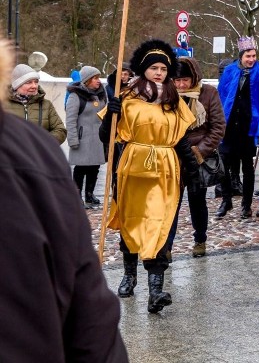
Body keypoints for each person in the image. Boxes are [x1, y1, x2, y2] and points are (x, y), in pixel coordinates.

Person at [0, 42, 128, 362]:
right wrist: (67, 141)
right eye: (28, 81)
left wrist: (42, 144)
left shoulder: (34, 138)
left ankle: (86, 195)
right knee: (80, 177)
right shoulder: (75, 97)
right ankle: (84, 194)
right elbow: (69, 122)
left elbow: (87, 312)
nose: (33, 85)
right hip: (72, 147)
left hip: (50, 155)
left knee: (85, 179)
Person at [100, 39, 199, 314]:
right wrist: (111, 113)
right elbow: (106, 138)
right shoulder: (128, 98)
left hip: (165, 171)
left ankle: (155, 291)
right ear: (144, 70)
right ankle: (129, 274)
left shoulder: (174, 101)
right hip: (132, 168)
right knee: (132, 222)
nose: (159, 73)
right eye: (154, 68)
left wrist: (193, 170)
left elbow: (181, 140)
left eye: (163, 69)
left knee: (160, 224)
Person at [169, 56, 226, 258]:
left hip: (197, 158)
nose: (181, 85)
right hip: (172, 156)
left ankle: (200, 239)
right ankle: (166, 246)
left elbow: (218, 128)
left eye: (185, 80)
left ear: (194, 77)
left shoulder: (208, 93)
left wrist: (199, 152)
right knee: (170, 204)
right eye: (177, 80)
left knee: (197, 201)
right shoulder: (168, 94)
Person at [217, 36, 259, 219]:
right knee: (223, 166)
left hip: (248, 127)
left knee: (248, 168)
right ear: (241, 56)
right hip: (229, 127)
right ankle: (226, 199)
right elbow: (221, 97)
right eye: (248, 56)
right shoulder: (229, 71)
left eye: (254, 55)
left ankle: (246, 204)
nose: (251, 59)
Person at [66, 65, 107, 208]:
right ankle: (77, 196)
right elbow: (70, 120)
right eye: (95, 78)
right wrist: (73, 140)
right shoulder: (75, 95)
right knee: (80, 169)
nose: (98, 81)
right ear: (87, 80)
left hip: (98, 139)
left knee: (94, 168)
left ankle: (90, 194)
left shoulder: (101, 95)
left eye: (98, 78)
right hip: (82, 139)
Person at [7, 63, 66, 144]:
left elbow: (60, 130)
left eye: (36, 82)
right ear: (17, 85)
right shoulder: (3, 105)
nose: (34, 86)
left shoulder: (46, 105)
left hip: (39, 155)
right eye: (29, 82)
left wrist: (44, 142)